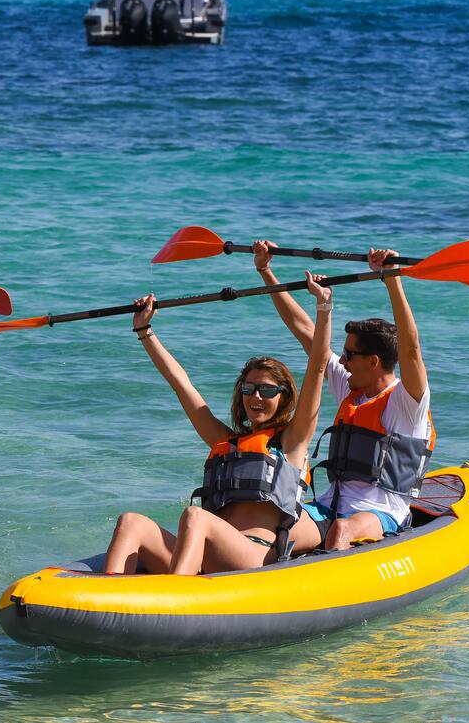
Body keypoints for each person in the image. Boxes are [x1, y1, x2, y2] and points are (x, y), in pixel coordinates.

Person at [101, 273, 332, 575]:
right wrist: (144, 330)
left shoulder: (292, 441)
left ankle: (175, 600)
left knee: (195, 517)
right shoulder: (225, 441)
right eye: (248, 389)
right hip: (206, 553)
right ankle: (109, 597)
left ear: (284, 396)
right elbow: (181, 384)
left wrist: (324, 308)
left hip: (253, 556)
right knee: (131, 521)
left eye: (267, 390)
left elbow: (317, 369)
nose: (256, 397)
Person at [254, 242, 435, 549]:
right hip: (328, 506)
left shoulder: (407, 403)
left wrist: (392, 278)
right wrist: (266, 271)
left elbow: (411, 348)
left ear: (373, 362)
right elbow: (304, 330)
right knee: (271, 523)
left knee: (342, 529)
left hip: (381, 513)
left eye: (350, 354)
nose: (343, 361)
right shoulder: (352, 387)